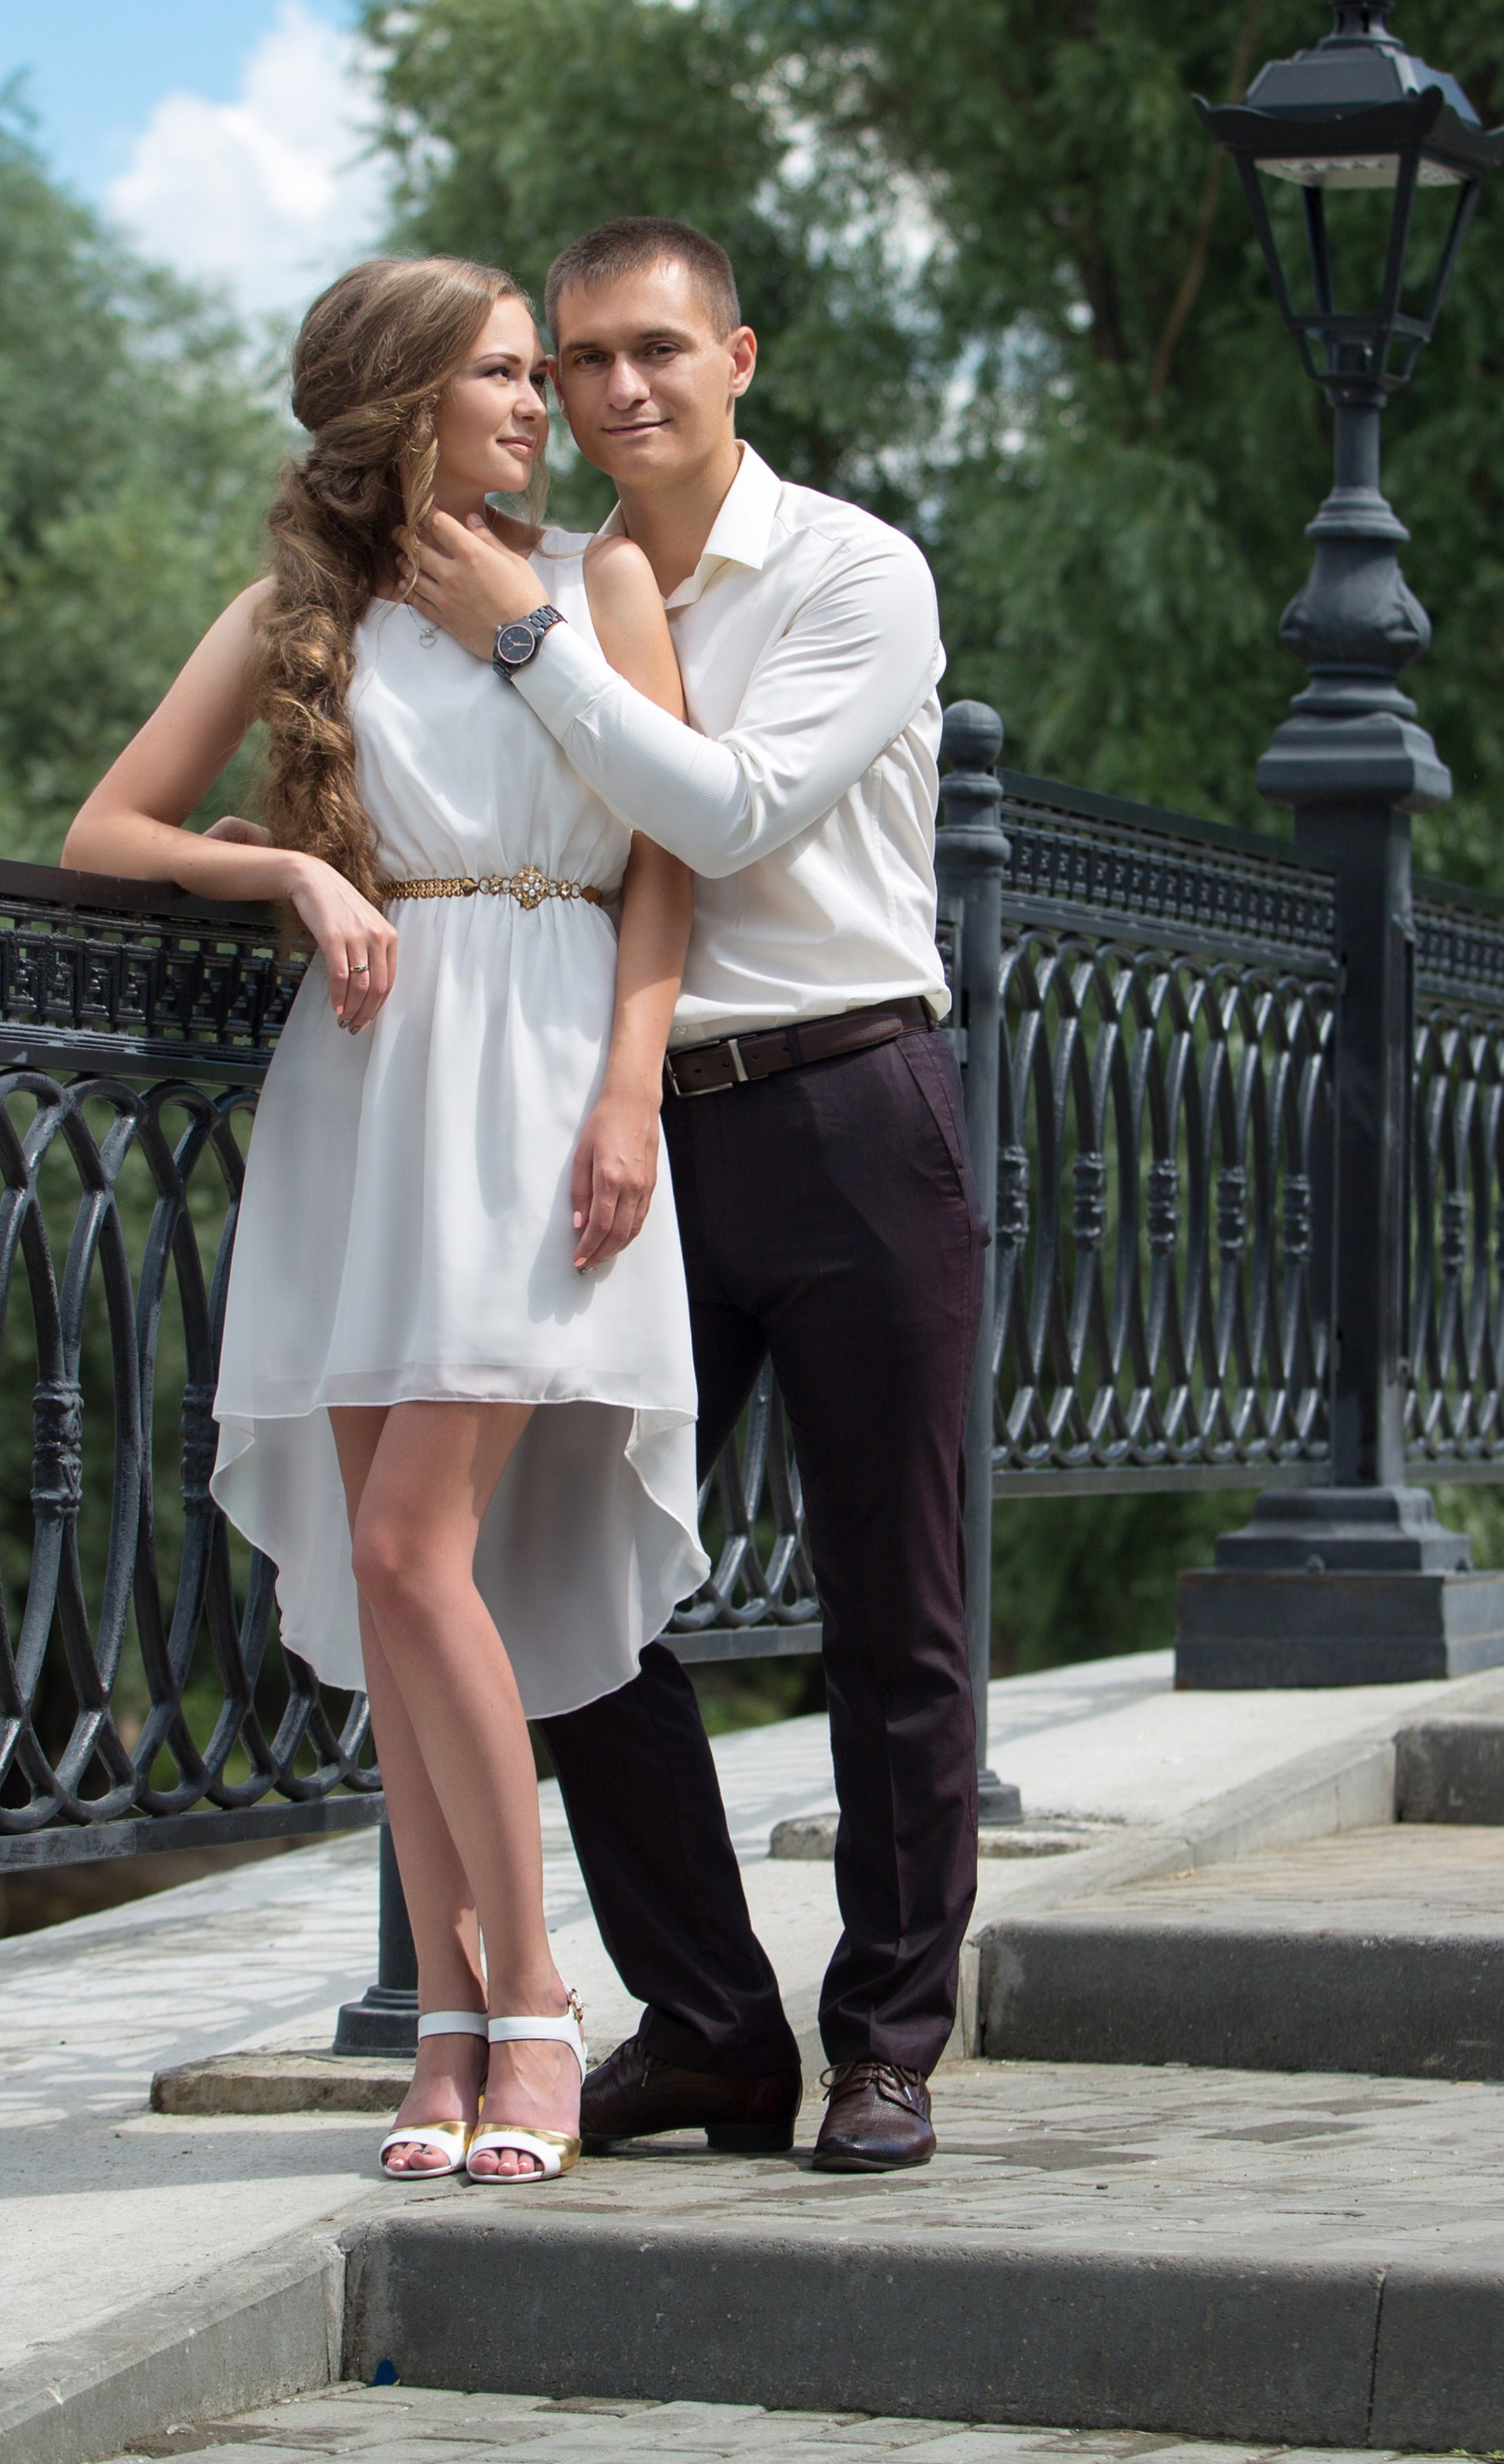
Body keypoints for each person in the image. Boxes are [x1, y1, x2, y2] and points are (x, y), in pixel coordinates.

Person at [63, 254, 706, 2187]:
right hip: (364, 1095)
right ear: (403, 405)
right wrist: (289, 872)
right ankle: (443, 2027)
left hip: (533, 1082)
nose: (544, 405)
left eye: (542, 372)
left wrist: (627, 1090)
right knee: (393, 1562)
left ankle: (537, 2010)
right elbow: (110, 831)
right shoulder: (297, 611)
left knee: (420, 1554)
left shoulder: (589, 583)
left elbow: (668, 859)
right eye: (505, 376)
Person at [394, 214, 987, 2173]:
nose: (618, 386)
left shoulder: (852, 572)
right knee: (564, 1584)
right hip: (620, 1132)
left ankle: (888, 2038)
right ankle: (715, 2025)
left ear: (741, 356)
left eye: (658, 346)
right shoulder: (550, 573)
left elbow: (722, 813)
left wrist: (528, 643)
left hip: (844, 1108)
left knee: (889, 1600)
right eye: (578, 360)